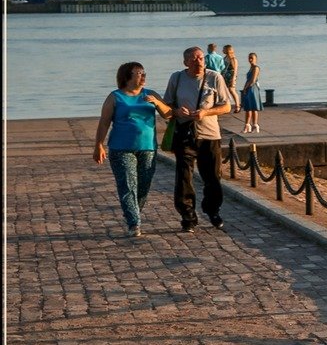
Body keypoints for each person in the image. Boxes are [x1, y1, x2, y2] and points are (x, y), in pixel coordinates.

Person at [92, 61, 174, 237]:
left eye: (144, 73)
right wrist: (98, 144)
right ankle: (134, 223)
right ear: (127, 77)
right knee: (128, 185)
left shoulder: (150, 94)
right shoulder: (115, 97)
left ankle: (132, 213)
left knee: (143, 186)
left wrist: (156, 103)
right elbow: (104, 121)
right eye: (139, 73)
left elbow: (168, 114)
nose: (143, 76)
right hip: (121, 148)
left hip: (148, 148)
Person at [162, 46, 235, 232]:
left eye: (201, 58)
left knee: (213, 177)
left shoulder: (214, 77)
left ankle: (212, 210)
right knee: (184, 176)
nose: (199, 62)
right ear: (185, 62)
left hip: (209, 135)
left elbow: (226, 106)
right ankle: (188, 215)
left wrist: (205, 112)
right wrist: (177, 111)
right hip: (185, 134)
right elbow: (167, 105)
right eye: (194, 59)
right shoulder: (177, 78)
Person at [240, 52, 263, 133]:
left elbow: (253, 80)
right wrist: (244, 88)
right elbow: (248, 80)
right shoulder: (251, 68)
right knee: (248, 108)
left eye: (252, 58)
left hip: (253, 88)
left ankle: (255, 125)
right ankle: (247, 125)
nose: (250, 60)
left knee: (253, 107)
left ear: (256, 59)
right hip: (248, 88)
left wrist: (246, 88)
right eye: (249, 58)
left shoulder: (256, 68)